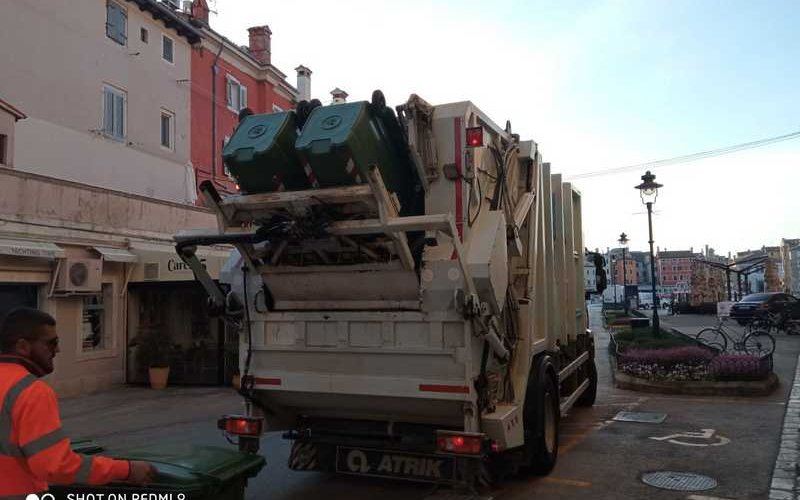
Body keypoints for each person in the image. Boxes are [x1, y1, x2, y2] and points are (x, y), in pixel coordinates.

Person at [0, 307, 156, 497]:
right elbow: (55, 466)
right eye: (51, 343)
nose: (57, 349)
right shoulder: (31, 392)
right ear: (23, 346)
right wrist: (127, 470)